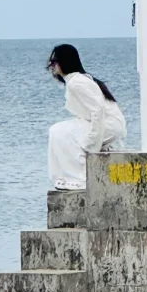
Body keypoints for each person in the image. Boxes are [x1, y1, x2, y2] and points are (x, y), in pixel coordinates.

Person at [47, 44, 128, 190]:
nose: (51, 65)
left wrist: (92, 143)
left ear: (64, 61)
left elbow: (98, 110)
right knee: (59, 131)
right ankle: (69, 177)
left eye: (54, 61)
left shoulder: (77, 83)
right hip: (109, 124)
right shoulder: (77, 80)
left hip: (108, 125)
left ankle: (79, 179)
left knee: (58, 132)